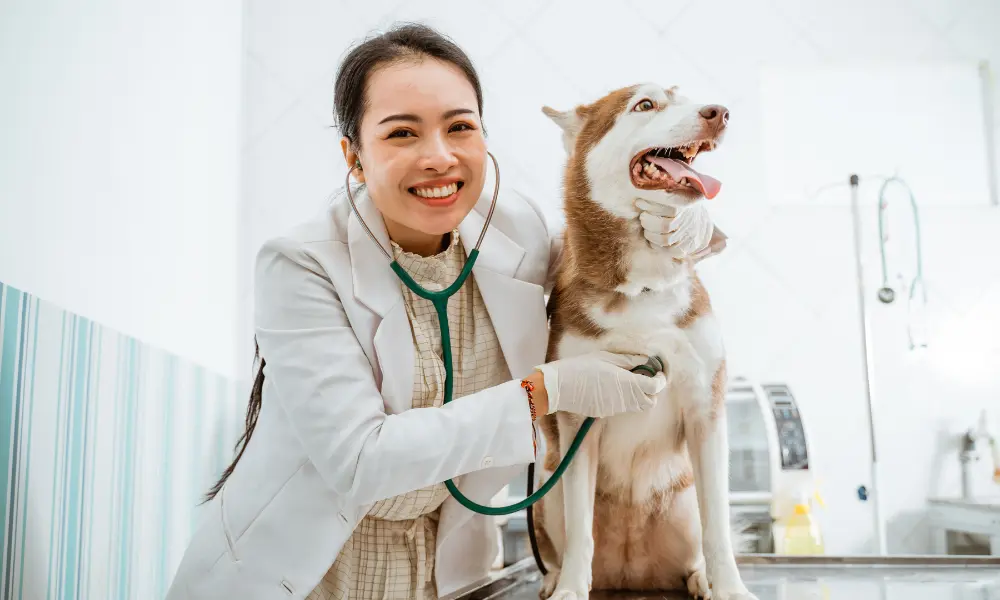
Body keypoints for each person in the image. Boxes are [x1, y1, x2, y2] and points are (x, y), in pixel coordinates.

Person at [165, 23, 726, 600]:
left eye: (460, 127)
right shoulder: (300, 266)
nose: (438, 157)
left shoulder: (514, 230)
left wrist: (692, 225)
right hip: (309, 577)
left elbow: (611, 260)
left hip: (449, 578)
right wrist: (544, 391)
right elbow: (361, 461)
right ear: (354, 157)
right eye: (402, 133)